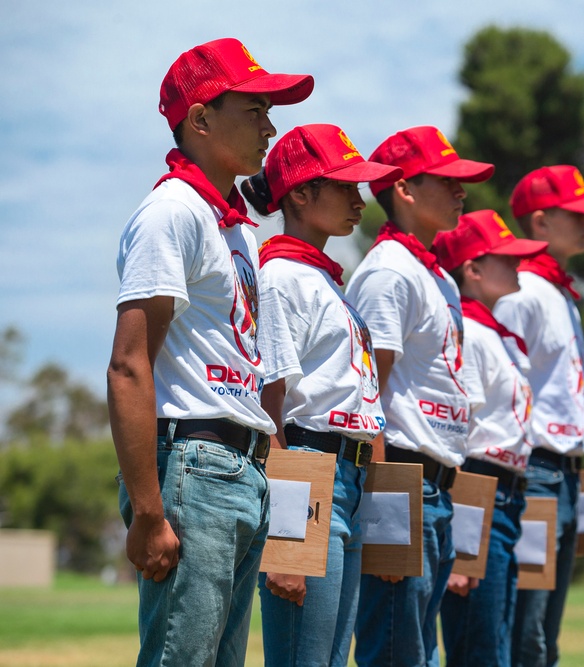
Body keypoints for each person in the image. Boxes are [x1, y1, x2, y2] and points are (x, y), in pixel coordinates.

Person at [107, 38, 312, 666]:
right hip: (196, 467)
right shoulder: (172, 211)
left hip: (239, 465)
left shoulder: (232, 226)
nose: (270, 127)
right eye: (253, 110)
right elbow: (129, 365)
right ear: (200, 118)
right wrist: (148, 510)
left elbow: (245, 372)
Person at [239, 124, 402, 667]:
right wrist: (286, 538)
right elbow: (271, 404)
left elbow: (366, 404)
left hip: (349, 483)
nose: (359, 202)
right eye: (345, 188)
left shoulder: (325, 279)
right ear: (301, 195)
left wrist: (384, 518)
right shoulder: (282, 274)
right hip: (309, 475)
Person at [345, 125, 494, 666]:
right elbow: (368, 394)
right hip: (405, 486)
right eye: (448, 181)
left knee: (421, 655)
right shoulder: (389, 273)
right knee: (396, 654)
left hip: (439, 490)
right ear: (404, 189)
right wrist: (387, 513)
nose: (462, 193)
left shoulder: (439, 278)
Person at [492, 165, 584, 667]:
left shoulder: (562, 293)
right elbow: (499, 380)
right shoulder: (521, 289)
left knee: (546, 631)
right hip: (536, 473)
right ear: (539, 223)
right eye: (576, 214)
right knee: (527, 630)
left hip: (565, 474)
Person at [433, 210, 548, 667]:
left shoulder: (501, 337)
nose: (517, 264)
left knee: (497, 642)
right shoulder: (471, 334)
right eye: (503, 257)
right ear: (472, 271)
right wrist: (462, 542)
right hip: (480, 494)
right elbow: (459, 431)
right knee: (478, 647)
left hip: (507, 498)